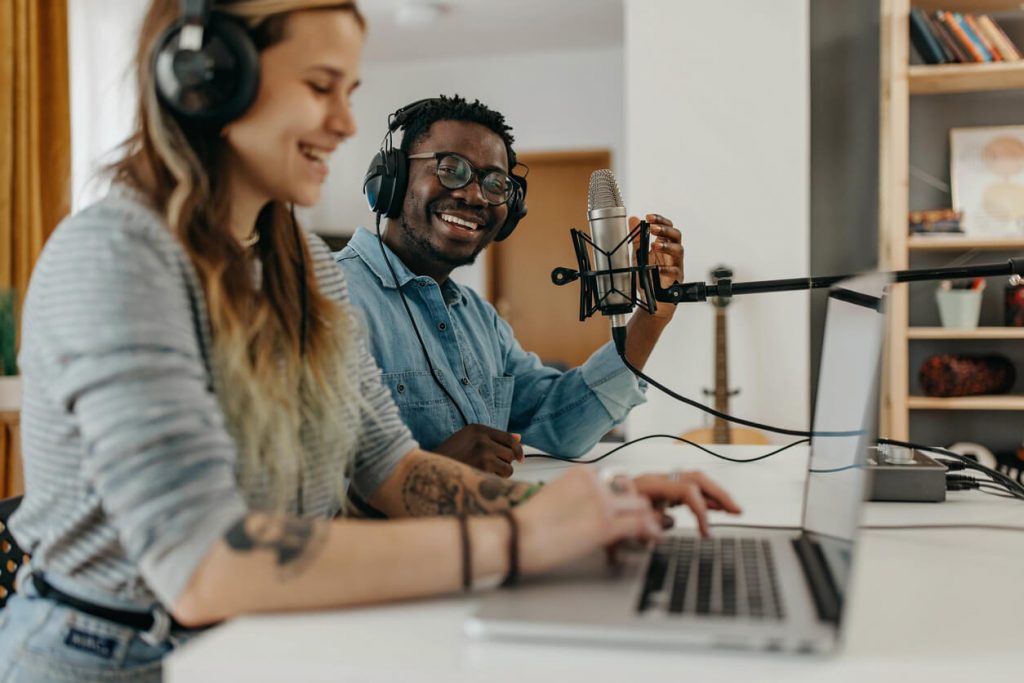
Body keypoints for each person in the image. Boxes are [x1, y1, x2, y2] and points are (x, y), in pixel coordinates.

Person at [0, 2, 739, 680]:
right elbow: (203, 565)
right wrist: (523, 537)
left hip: (263, 641)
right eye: (321, 86)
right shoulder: (116, 255)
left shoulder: (300, 259)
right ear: (208, 78)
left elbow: (389, 463)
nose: (347, 124)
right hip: (115, 657)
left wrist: (597, 504)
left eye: (348, 93)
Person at [337, 95, 685, 476]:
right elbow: (290, 488)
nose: (473, 195)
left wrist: (651, 318)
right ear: (394, 178)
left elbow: (563, 424)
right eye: (450, 168)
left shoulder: (478, 319)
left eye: (495, 183)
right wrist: (432, 469)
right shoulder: (329, 298)